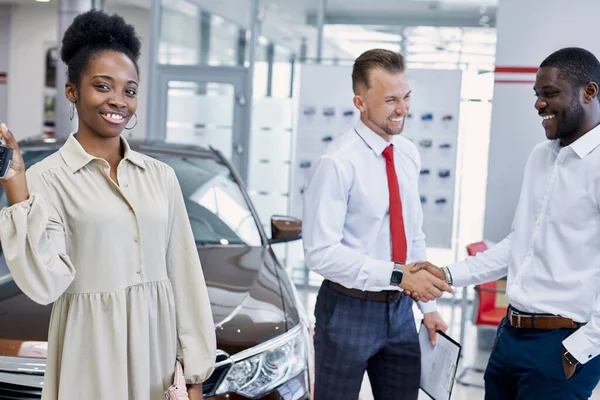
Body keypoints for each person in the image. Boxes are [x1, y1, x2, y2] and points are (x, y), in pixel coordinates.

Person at [0, 10, 215, 400]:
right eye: (102, 86)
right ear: (72, 91)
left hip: (156, 353)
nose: (118, 100)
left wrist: (195, 373)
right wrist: (16, 186)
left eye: (129, 90)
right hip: (90, 354)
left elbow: (184, 274)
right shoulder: (47, 178)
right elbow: (45, 283)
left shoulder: (161, 176)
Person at [409, 47, 600, 400]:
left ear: (589, 92)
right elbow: (520, 244)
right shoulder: (541, 156)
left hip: (563, 347)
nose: (539, 105)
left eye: (550, 93)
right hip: (510, 336)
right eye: (537, 95)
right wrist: (446, 274)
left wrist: (582, 348)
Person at [302, 48, 453, 400]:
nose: (402, 109)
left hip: (401, 312)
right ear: (360, 101)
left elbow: (413, 234)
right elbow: (320, 253)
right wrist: (399, 275)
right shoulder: (336, 163)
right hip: (347, 310)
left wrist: (427, 308)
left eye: (406, 97)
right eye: (390, 100)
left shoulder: (408, 153)